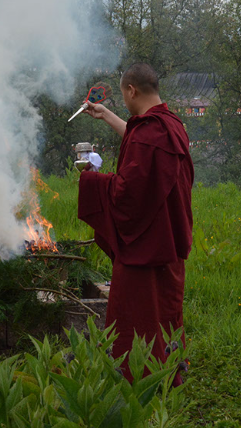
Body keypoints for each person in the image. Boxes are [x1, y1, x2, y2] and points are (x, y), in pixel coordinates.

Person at [78, 63, 194, 383]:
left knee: (136, 314)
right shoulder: (171, 125)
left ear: (131, 91)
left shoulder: (150, 132)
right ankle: (170, 372)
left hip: (145, 244)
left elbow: (128, 193)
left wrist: (91, 182)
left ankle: (135, 378)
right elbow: (142, 140)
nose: (125, 103)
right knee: (166, 311)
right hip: (170, 237)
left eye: (124, 96)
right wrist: (105, 115)